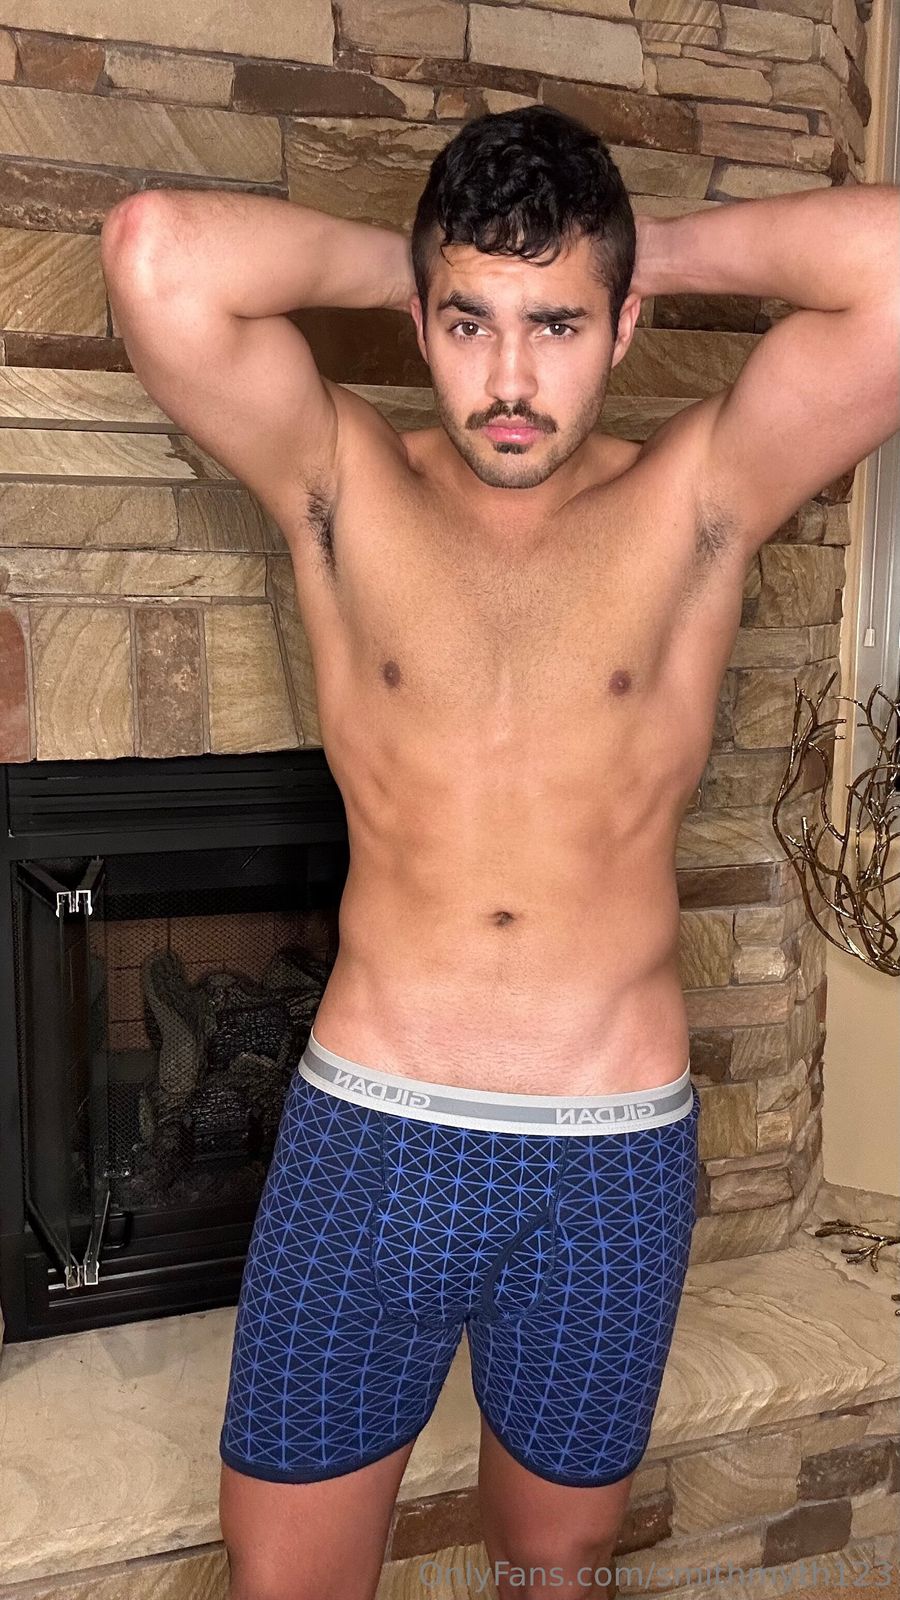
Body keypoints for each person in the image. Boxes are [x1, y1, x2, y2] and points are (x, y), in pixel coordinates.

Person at [99, 105, 900, 1600]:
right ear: (420, 318)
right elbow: (156, 254)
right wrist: (431, 259)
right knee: (286, 1583)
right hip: (370, 1136)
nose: (512, 380)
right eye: (469, 322)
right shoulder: (345, 481)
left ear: (624, 323)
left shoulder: (700, 497)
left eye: (559, 324)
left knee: (554, 1569)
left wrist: (635, 248)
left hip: (608, 1153)